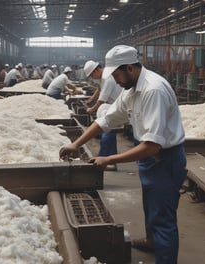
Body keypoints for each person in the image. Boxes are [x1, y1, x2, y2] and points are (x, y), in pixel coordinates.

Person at [59, 45, 187, 264]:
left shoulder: (152, 90)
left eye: (117, 75)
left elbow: (152, 146)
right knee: (151, 204)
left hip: (164, 159)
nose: (115, 80)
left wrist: (109, 159)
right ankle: (152, 241)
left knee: (163, 217)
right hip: (149, 157)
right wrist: (76, 144)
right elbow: (106, 120)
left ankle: (164, 255)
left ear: (129, 67)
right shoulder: (131, 90)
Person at [82, 60, 123, 171]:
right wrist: (91, 99)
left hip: (116, 105)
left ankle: (103, 160)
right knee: (110, 132)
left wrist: (92, 109)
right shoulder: (102, 77)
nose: (92, 78)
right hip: (111, 105)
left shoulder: (108, 78)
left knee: (107, 132)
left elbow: (102, 99)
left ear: (96, 70)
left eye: (91, 75)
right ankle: (111, 161)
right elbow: (99, 89)